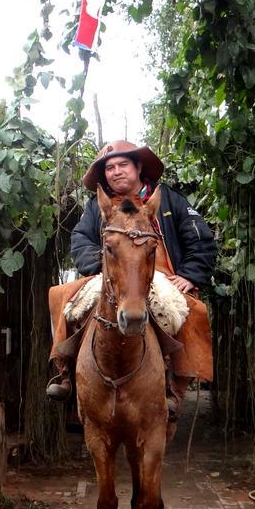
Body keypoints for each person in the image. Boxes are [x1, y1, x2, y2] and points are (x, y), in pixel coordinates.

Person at [47, 140, 217, 423]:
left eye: (123, 165)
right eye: (110, 168)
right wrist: (100, 264)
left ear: (138, 166)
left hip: (159, 277)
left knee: (193, 311)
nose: (116, 172)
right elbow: (79, 240)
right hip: (110, 275)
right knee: (59, 295)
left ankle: (175, 389)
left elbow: (200, 239)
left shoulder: (169, 200)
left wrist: (189, 274)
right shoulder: (95, 207)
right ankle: (65, 373)